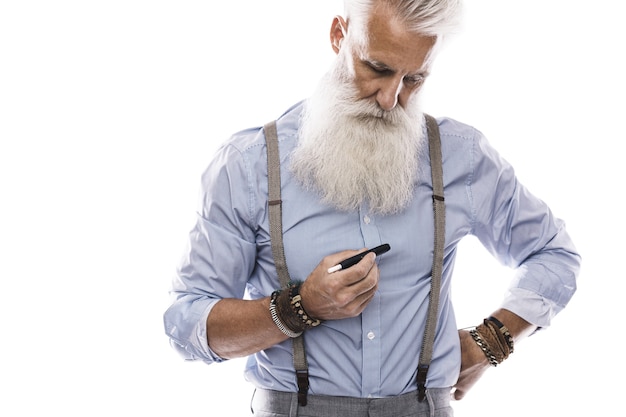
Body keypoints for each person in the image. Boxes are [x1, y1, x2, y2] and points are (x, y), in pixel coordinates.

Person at [163, 1, 581, 415]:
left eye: (413, 78)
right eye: (377, 68)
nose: (389, 98)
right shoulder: (249, 163)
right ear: (338, 35)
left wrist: (491, 341)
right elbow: (186, 323)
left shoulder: (460, 156)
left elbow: (554, 253)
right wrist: (300, 307)